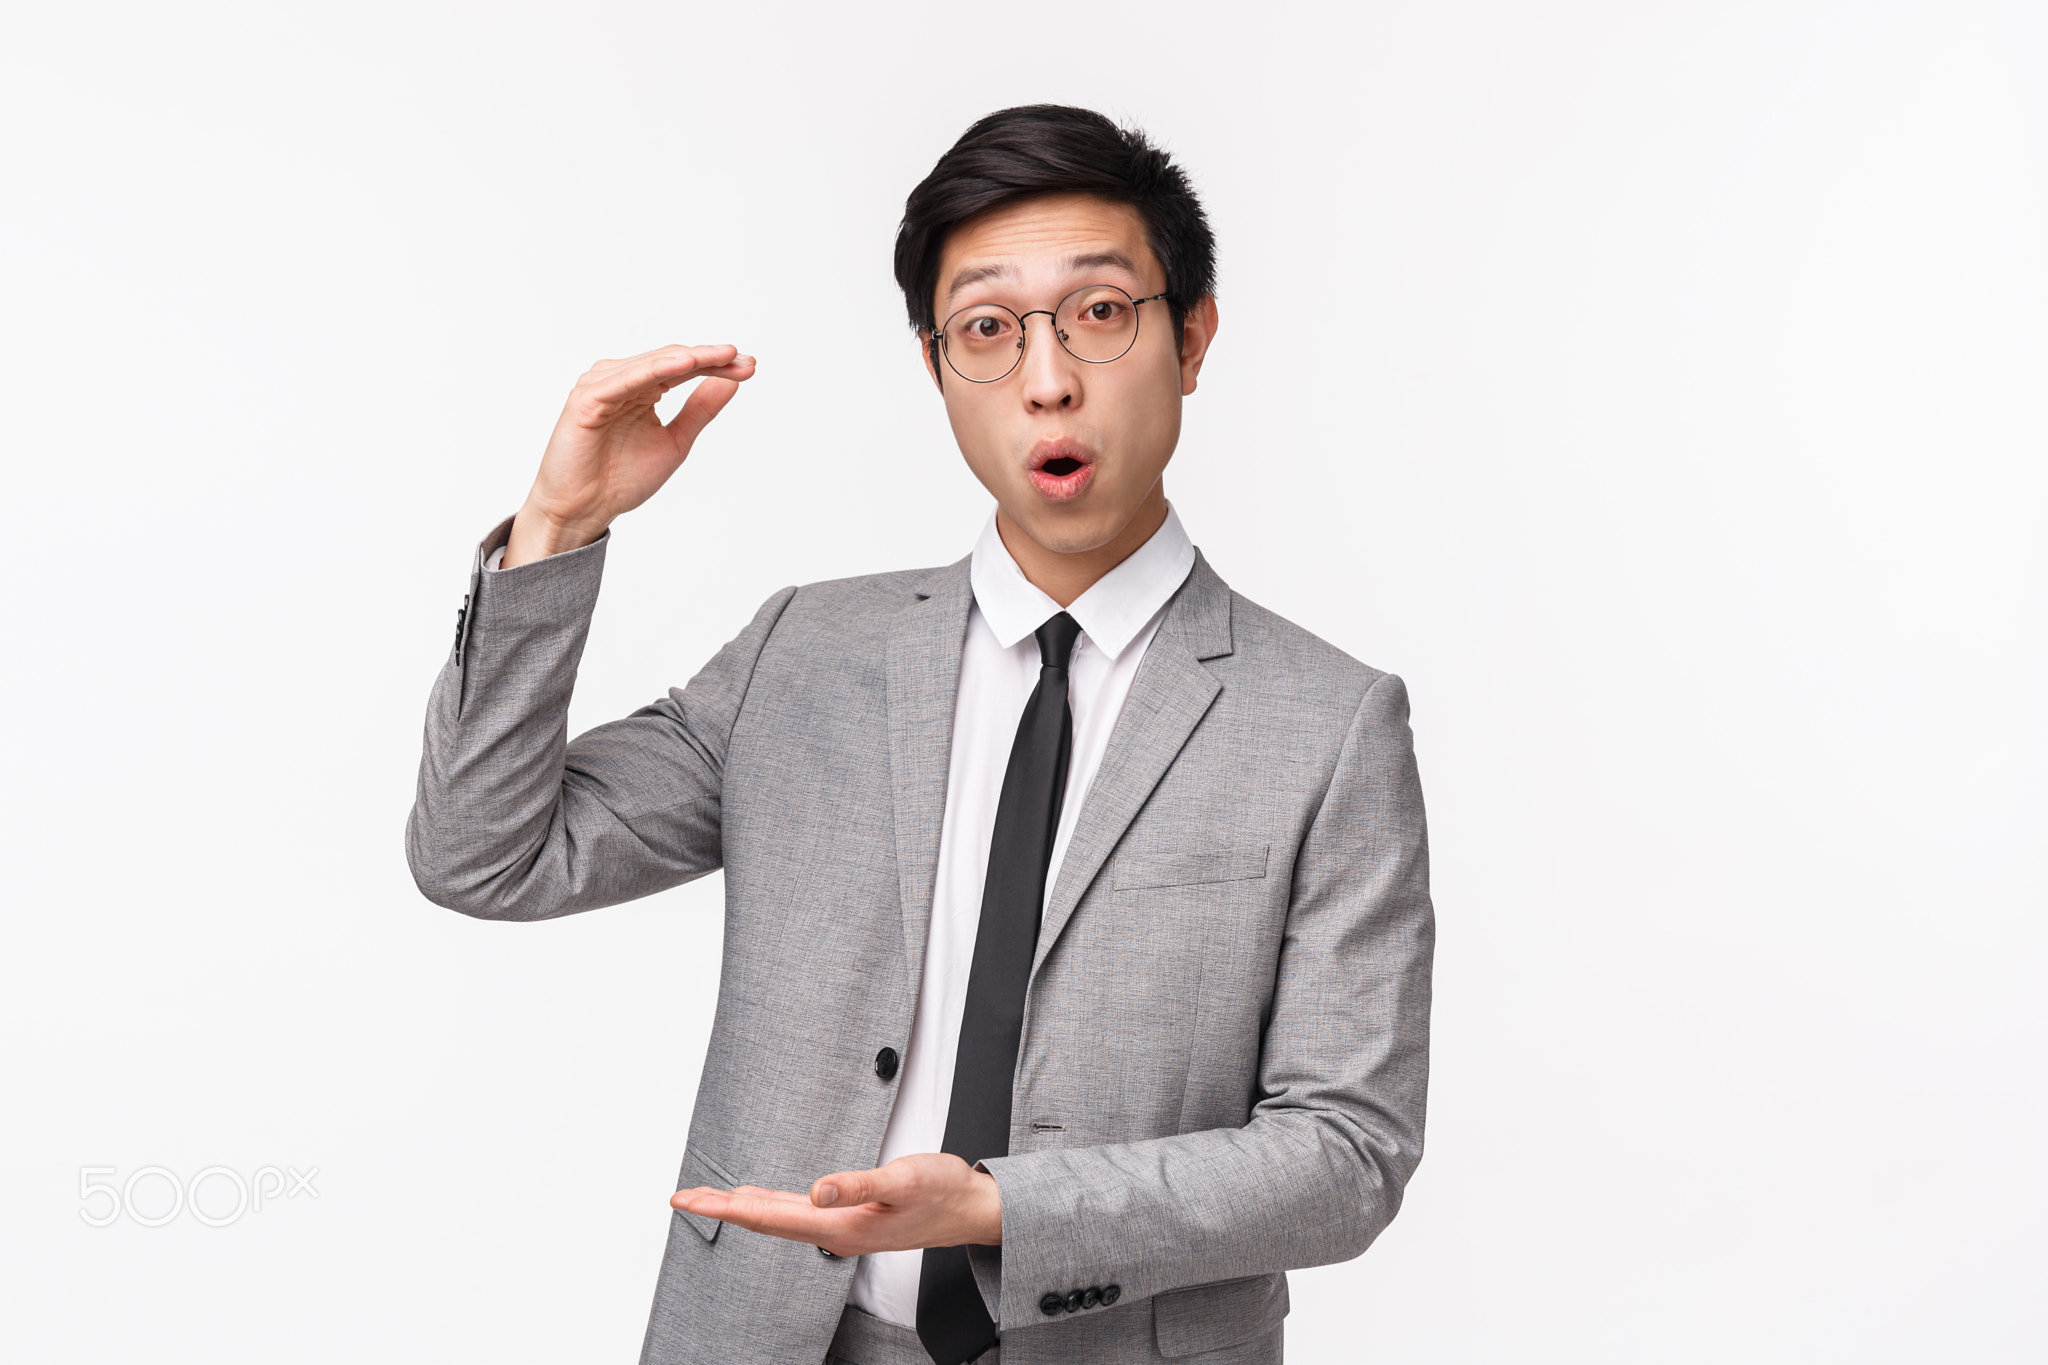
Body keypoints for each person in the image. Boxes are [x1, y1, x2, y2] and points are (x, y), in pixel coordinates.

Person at [407, 104, 1434, 1365]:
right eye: (987, 331)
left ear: (1191, 336)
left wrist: (1002, 1210)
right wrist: (556, 529)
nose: (1046, 378)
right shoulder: (804, 653)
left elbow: (1346, 1155)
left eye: (1100, 313)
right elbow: (485, 856)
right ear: (938, 365)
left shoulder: (1326, 722)